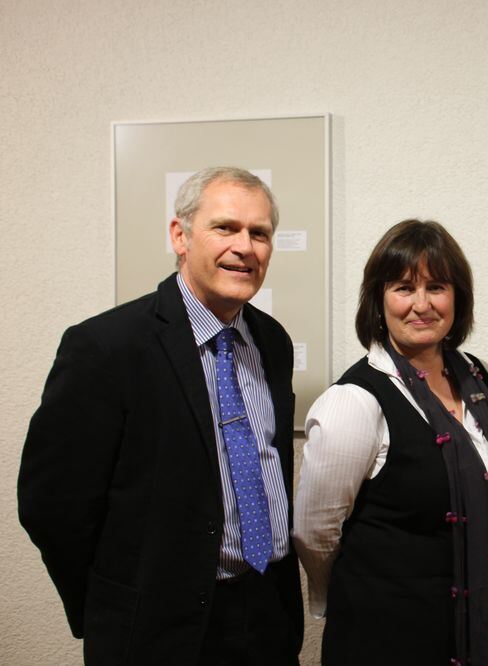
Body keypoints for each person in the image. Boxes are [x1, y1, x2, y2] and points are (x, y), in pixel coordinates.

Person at [18, 167, 303, 664]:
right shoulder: (106, 347)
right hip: (156, 632)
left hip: (266, 616)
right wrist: (110, 603)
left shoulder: (272, 342)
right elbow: (52, 504)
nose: (245, 247)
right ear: (180, 235)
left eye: (259, 233)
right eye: (225, 227)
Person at [294, 219, 488, 666]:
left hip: (481, 630)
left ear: (458, 298)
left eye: (437, 287)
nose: (421, 305)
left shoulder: (477, 377)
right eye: (404, 288)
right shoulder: (354, 402)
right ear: (378, 299)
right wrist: (361, 586)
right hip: (387, 637)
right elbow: (315, 533)